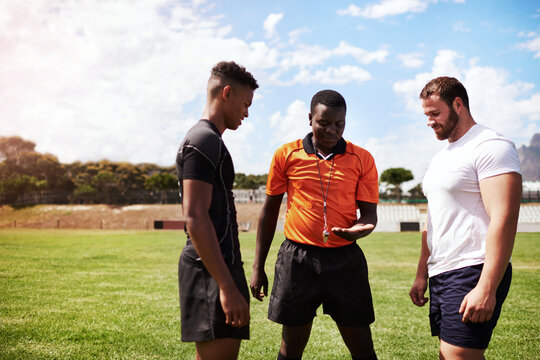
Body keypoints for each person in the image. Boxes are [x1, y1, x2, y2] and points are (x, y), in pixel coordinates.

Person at [250, 89, 379, 360]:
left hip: (345, 258)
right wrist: (257, 267)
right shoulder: (286, 154)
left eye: (339, 124)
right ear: (310, 118)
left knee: (363, 348)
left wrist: (359, 230)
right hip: (297, 259)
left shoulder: (362, 158)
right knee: (291, 346)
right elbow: (269, 211)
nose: (332, 130)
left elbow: (369, 215)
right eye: (324, 123)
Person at [409, 77, 522, 359]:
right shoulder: (441, 158)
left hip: (473, 268)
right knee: (448, 354)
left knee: (459, 355)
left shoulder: (491, 145)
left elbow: (504, 218)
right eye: (426, 115)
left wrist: (486, 287)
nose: (429, 122)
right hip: (442, 272)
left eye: (435, 113)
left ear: (458, 104)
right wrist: (422, 272)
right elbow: (433, 219)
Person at [176, 61, 258, 360]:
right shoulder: (203, 140)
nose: (246, 113)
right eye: (245, 104)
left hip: (219, 266)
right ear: (227, 93)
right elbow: (195, 217)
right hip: (210, 270)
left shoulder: (211, 140)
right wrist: (226, 287)